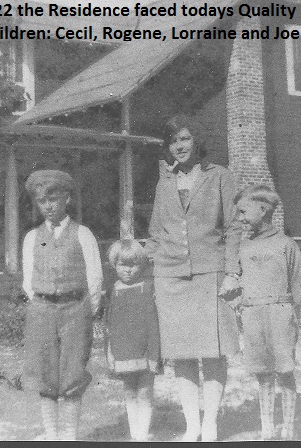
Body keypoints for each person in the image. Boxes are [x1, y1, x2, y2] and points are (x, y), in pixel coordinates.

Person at [145, 115, 242, 442]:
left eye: (185, 139)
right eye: (174, 141)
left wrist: (231, 272)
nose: (180, 146)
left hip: (209, 274)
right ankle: (192, 425)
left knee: (213, 351)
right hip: (170, 277)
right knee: (182, 353)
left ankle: (211, 422)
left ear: (197, 141)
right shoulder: (164, 182)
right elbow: (156, 232)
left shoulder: (220, 177)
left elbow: (232, 227)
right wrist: (151, 266)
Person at [21, 169, 103, 441]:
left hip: (75, 308)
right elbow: (28, 280)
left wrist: (85, 310)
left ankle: (69, 437)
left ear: (66, 198)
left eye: (53, 199)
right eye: (42, 201)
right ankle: (51, 435)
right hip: (42, 311)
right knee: (44, 375)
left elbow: (95, 277)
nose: (48, 206)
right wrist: (41, 303)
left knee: (72, 374)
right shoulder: (33, 237)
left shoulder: (83, 234)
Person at [232, 184, 301, 440]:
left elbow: (296, 285)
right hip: (253, 314)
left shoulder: (287, 245)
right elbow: (237, 282)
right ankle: (267, 429)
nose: (240, 218)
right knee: (262, 373)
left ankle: (289, 429)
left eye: (243, 212)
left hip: (280, 314)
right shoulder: (243, 248)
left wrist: (292, 317)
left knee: (285, 371)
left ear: (262, 210)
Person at [104, 239, 161, 441]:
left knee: (144, 392)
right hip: (123, 351)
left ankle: (142, 435)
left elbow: (153, 324)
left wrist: (154, 355)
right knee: (129, 392)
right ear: (114, 265)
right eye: (122, 265)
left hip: (144, 352)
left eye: (133, 265)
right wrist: (110, 352)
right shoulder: (115, 290)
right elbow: (110, 324)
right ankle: (134, 433)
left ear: (142, 265)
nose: (128, 270)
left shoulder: (147, 288)